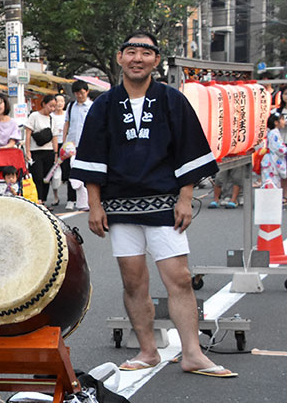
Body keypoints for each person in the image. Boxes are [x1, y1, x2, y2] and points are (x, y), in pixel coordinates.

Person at [72, 31, 235, 378]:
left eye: (145, 53)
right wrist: (95, 204)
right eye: (131, 52)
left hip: (164, 202)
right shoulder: (103, 105)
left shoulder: (172, 100)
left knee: (180, 278)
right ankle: (147, 350)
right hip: (120, 205)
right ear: (120, 58)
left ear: (156, 61)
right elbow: (91, 157)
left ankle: (192, 353)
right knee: (134, 281)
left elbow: (189, 150)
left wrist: (186, 199)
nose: (137, 59)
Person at [62, 80, 93, 210]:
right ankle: (71, 199)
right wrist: (64, 142)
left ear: (87, 92)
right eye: (77, 93)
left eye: (81, 93)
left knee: (87, 172)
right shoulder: (71, 106)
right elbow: (67, 124)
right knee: (72, 172)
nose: (79, 96)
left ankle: (87, 200)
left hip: (87, 144)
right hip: (72, 145)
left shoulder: (92, 106)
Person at [24, 94, 58, 205]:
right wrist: (27, 150)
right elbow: (28, 134)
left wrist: (56, 153)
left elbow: (55, 137)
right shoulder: (34, 116)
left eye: (54, 106)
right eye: (50, 106)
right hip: (35, 151)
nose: (52, 109)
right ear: (44, 104)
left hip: (49, 151)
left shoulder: (53, 119)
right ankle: (37, 200)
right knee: (37, 176)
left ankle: (43, 200)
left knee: (46, 178)